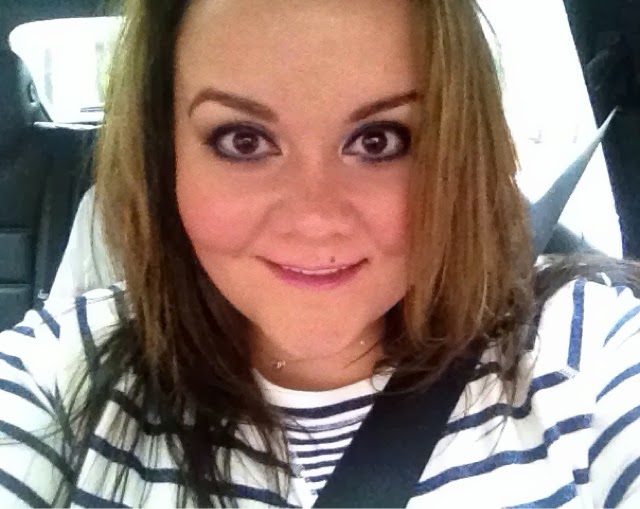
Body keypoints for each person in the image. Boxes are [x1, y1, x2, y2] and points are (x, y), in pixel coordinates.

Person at [1, 0, 639, 507]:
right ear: (165, 156)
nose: (315, 219)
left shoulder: (583, 352)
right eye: (243, 140)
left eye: (380, 140)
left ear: (457, 151)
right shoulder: (65, 375)